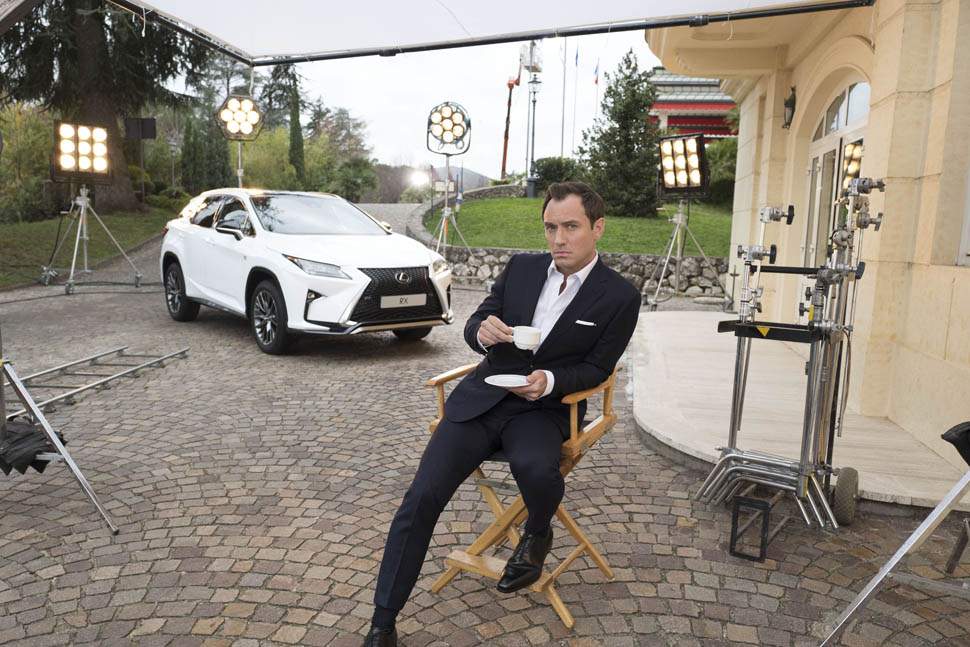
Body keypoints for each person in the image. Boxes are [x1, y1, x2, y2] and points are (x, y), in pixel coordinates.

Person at [363, 182, 641, 647]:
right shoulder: (521, 268)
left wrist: (548, 381)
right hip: (482, 399)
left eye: (571, 227)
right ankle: (382, 622)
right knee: (421, 497)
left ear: (598, 228)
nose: (558, 239)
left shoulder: (620, 296)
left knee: (536, 469)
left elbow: (597, 368)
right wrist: (482, 332)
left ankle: (537, 533)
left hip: (545, 408)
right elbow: (476, 324)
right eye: (550, 227)